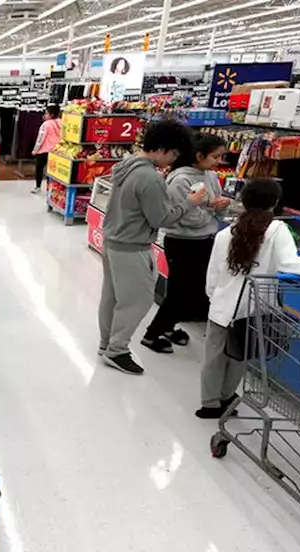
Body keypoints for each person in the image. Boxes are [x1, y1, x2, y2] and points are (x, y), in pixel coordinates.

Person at [199, 179, 300, 418]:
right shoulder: (276, 230)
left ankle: (209, 405)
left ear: (244, 200)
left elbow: (213, 274)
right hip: (254, 308)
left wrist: (214, 298)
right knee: (239, 356)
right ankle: (226, 398)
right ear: (275, 202)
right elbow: (292, 264)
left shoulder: (226, 232)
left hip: (221, 308)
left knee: (214, 358)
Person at [97, 119, 202, 375]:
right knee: (137, 301)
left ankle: (106, 343)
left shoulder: (126, 165)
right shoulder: (150, 178)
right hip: (132, 247)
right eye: (174, 154)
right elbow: (161, 219)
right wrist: (190, 202)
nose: (173, 160)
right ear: (163, 147)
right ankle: (117, 350)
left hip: (113, 241)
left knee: (111, 298)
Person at [142, 132, 235, 354]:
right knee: (178, 291)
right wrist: (212, 211)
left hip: (204, 240)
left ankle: (168, 327)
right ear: (199, 154)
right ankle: (152, 334)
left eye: (221, 156)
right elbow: (184, 216)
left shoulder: (210, 176)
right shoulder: (180, 179)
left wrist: (220, 206)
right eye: (215, 156)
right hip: (181, 242)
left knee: (193, 289)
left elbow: (214, 205)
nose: (218, 162)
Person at [31, 104, 63, 194]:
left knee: (39, 169)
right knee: (52, 171)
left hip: (44, 150)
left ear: (51, 115)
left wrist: (35, 150)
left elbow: (40, 138)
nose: (44, 115)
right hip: (56, 151)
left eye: (46, 113)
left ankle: (38, 186)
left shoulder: (46, 124)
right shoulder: (62, 122)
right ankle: (50, 188)